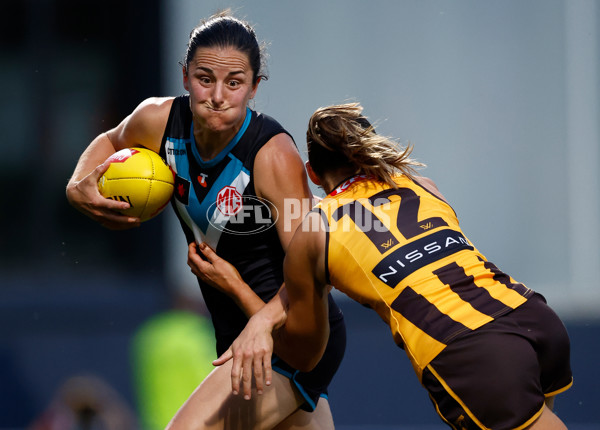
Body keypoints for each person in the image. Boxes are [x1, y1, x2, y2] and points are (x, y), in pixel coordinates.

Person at [212, 102, 573, 430]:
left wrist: (241, 293)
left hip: (472, 350)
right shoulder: (422, 184)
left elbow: (304, 357)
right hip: (532, 315)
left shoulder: (315, 229)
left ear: (312, 173)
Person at [66, 11, 346, 430]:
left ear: (253, 88)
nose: (217, 95)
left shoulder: (273, 156)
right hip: (237, 333)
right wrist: (77, 186)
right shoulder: (158, 121)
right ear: (184, 77)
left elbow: (314, 267)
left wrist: (260, 320)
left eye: (234, 83)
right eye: (204, 78)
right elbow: (110, 140)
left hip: (291, 339)